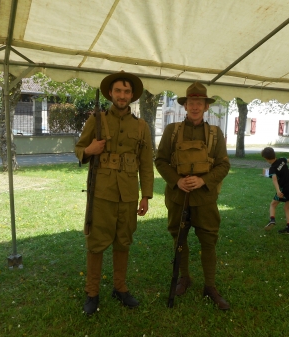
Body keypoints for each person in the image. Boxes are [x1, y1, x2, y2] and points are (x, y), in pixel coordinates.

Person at [75, 71, 154, 315]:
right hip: (102, 193)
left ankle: (120, 288)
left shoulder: (141, 126)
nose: (122, 95)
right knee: (96, 244)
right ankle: (92, 292)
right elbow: (79, 149)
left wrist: (146, 196)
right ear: (110, 93)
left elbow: (145, 163)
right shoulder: (97, 120)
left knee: (123, 242)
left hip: (129, 195)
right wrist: (90, 149)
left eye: (126, 92)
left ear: (132, 95)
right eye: (118, 91)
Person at [155, 82, 231, 310]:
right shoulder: (172, 131)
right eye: (191, 103)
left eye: (200, 103)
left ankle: (210, 286)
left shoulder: (215, 134)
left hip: (205, 199)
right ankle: (184, 278)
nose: (195, 106)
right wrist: (177, 180)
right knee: (179, 239)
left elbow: (223, 165)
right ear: (185, 105)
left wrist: (203, 180)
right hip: (178, 197)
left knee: (208, 241)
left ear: (206, 107)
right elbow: (160, 160)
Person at [261, 147, 289, 234]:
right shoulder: (282, 160)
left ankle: (272, 220)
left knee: (273, 205)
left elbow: (274, 179)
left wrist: (278, 191)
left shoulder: (272, 169)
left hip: (286, 188)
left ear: (265, 158)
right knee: (287, 208)